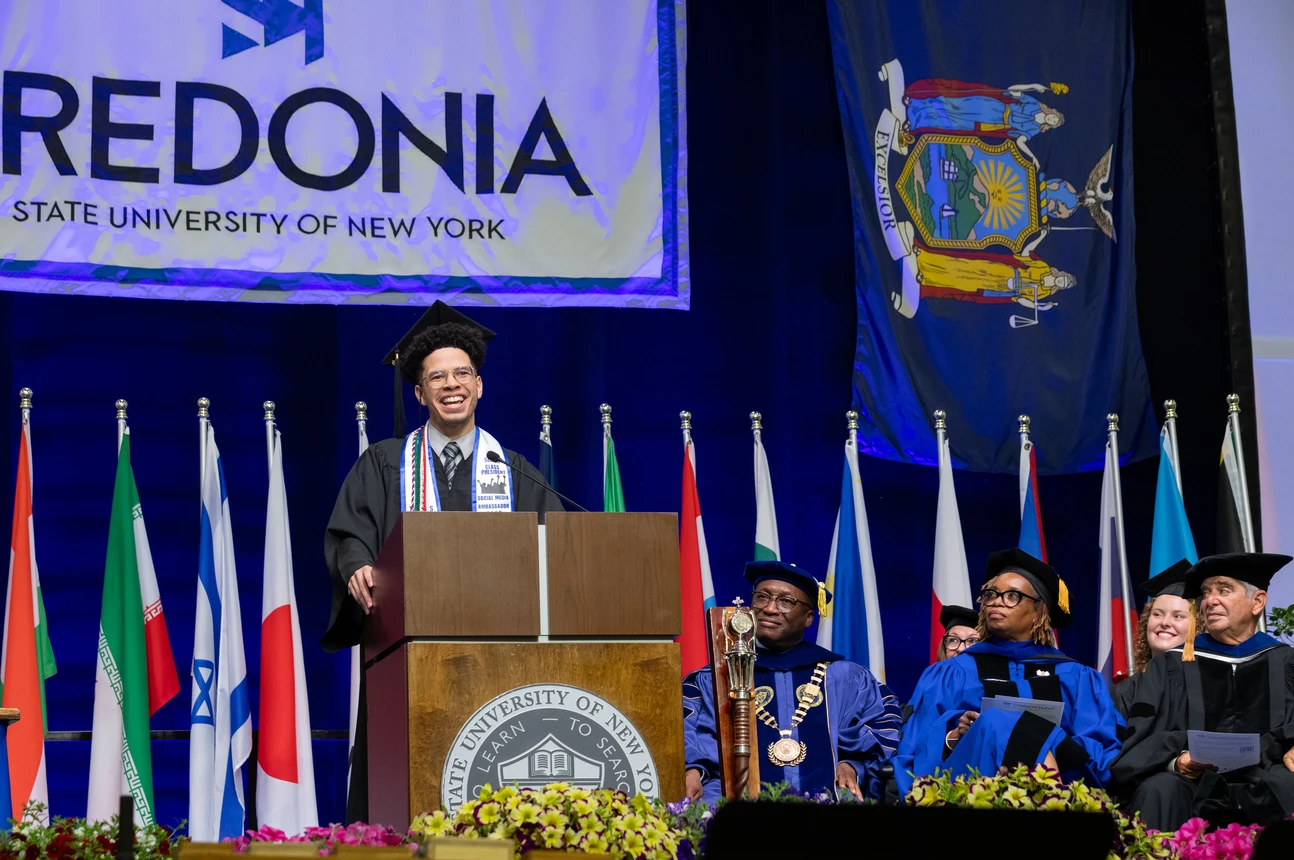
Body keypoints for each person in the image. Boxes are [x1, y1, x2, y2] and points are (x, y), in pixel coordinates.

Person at [323, 301, 563, 817]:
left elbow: (557, 548)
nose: (450, 385)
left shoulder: (513, 469)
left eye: (461, 374)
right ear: (419, 393)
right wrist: (358, 564)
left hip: (502, 656)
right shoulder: (385, 464)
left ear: (480, 386)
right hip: (404, 654)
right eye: (437, 377)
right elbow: (350, 535)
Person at [893, 548, 1124, 798]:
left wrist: (1040, 738)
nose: (996, 601)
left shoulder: (1077, 677)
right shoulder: (952, 672)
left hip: (1064, 782)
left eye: (1012, 595)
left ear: (1040, 612)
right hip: (966, 789)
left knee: (1000, 720)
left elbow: (1101, 755)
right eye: (991, 594)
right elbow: (915, 748)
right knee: (993, 720)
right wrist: (954, 736)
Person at [683, 561, 903, 803]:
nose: (769, 609)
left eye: (786, 602)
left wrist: (852, 764)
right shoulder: (719, 677)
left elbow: (882, 721)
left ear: (809, 617)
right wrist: (694, 770)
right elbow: (691, 733)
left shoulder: (844, 677)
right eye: (762, 597)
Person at [1112, 553, 1294, 830]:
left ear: (1257, 602)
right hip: (1193, 783)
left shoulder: (1286, 663)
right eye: (1206, 593)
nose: (1210, 600)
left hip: (1268, 778)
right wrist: (1176, 760)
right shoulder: (1172, 665)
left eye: (1223, 590)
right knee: (1160, 789)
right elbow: (1141, 739)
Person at [1113, 559, 1194, 715]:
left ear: (1198, 627)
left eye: (1178, 616)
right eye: (1157, 614)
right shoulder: (1125, 692)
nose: (1165, 622)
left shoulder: (1209, 686)